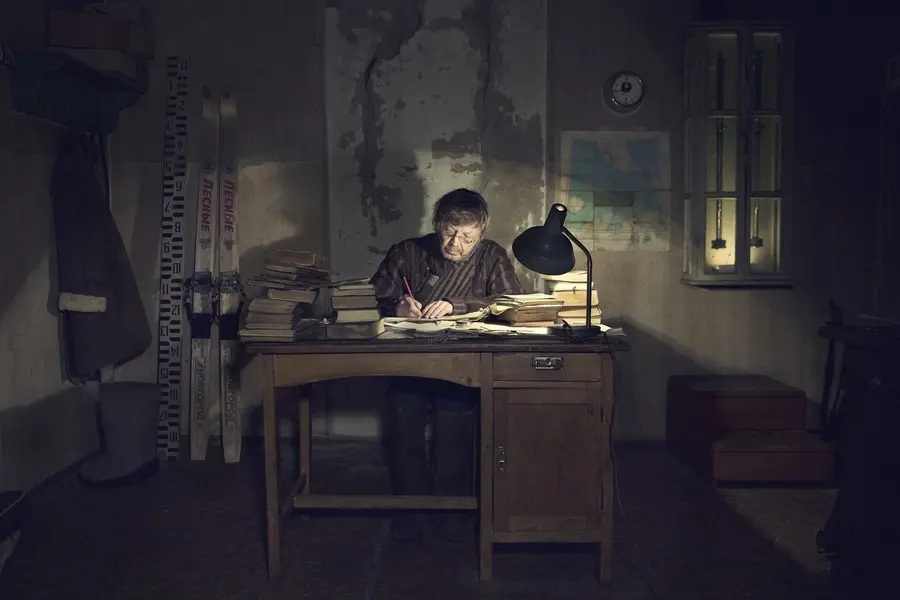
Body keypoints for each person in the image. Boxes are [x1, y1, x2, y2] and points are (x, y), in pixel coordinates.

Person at [370, 187, 524, 542]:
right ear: (437, 225)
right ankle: (411, 510)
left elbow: (511, 302)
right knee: (402, 411)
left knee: (456, 415)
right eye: (449, 233)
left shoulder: (492, 257)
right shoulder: (407, 252)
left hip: (463, 363)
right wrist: (397, 307)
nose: (456, 244)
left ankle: (452, 509)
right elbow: (370, 297)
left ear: (481, 232)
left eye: (467, 237)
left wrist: (458, 305)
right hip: (410, 362)